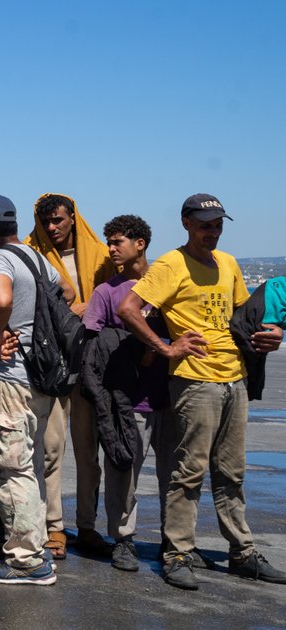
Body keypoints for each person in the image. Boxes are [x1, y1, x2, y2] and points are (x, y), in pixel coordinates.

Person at [118, 193, 285, 590]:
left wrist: (273, 333)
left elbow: (245, 317)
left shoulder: (228, 263)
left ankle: (242, 552)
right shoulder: (171, 264)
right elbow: (128, 308)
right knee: (189, 471)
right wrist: (165, 348)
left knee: (232, 473)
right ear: (186, 223)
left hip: (234, 378)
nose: (213, 232)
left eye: (218, 225)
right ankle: (178, 553)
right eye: (205, 225)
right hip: (194, 380)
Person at [0, 194, 60, 585]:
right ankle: (36, 549)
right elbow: (68, 293)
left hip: (9, 381)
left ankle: (26, 560)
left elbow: (1, 296)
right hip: (37, 380)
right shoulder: (36, 258)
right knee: (29, 466)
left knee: (7, 467)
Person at [80, 215, 174, 572]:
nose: (111, 249)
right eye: (109, 242)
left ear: (140, 244)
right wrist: (138, 348)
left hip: (172, 394)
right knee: (123, 473)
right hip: (128, 399)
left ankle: (175, 542)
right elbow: (93, 343)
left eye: (118, 242)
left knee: (175, 475)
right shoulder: (107, 292)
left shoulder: (169, 283)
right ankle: (123, 539)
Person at [27, 192, 117, 559]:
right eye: (46, 221)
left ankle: (87, 526)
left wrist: (87, 308)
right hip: (50, 365)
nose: (52, 227)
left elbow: (116, 299)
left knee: (87, 451)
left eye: (58, 220)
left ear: (73, 218)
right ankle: (53, 527)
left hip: (90, 365)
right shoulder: (31, 253)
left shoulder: (100, 256)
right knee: (49, 449)